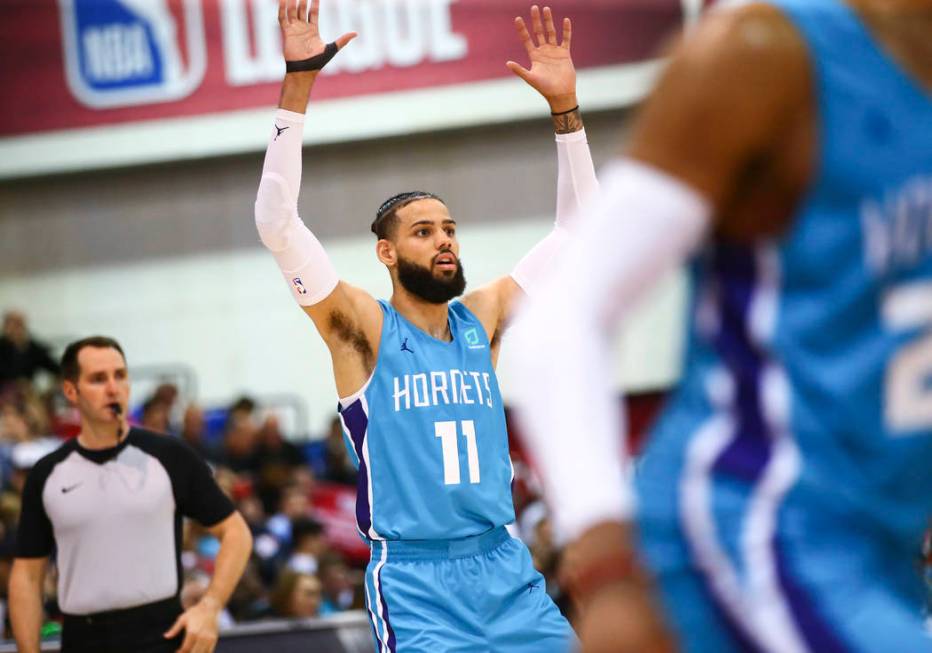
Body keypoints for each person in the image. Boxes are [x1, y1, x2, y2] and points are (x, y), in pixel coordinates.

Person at [511, 0, 932, 652]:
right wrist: (607, 558)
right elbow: (560, 316)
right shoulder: (766, 53)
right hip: (756, 532)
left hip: (884, 545)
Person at [255, 0, 600, 648]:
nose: (444, 241)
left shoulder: (483, 319)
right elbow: (277, 222)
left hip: (505, 567)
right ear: (386, 252)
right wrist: (298, 84)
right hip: (418, 583)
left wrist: (566, 112)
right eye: (423, 232)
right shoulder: (362, 329)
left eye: (449, 230)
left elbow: (582, 232)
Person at [8, 336, 253, 653]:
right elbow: (27, 575)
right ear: (71, 391)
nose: (113, 388)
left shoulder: (169, 455)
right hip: (83, 638)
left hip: (161, 635)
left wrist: (211, 606)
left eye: (120, 375)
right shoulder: (48, 473)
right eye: (98, 379)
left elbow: (236, 532)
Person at [0, 311, 59, 388]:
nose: (16, 330)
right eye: (13, 325)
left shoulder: (33, 348)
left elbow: (54, 368)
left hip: (27, 392)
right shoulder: (2, 347)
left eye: (19, 325)